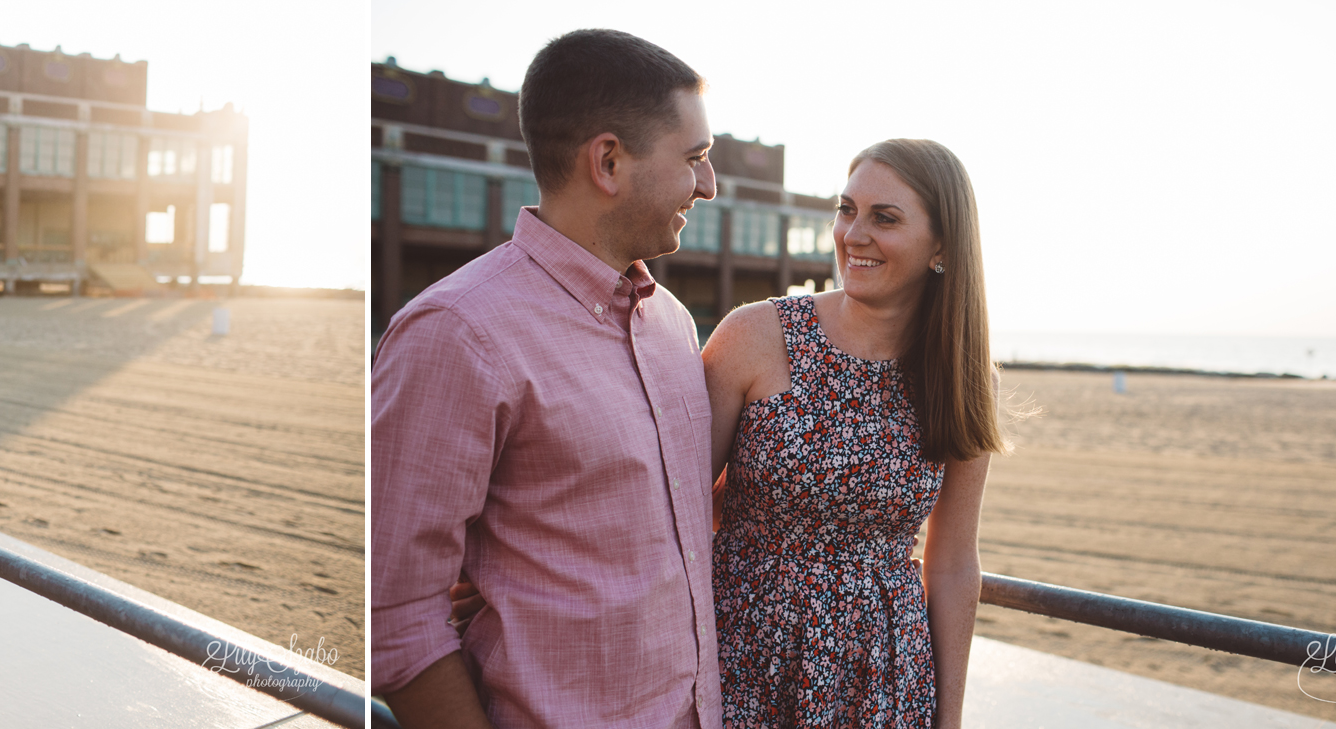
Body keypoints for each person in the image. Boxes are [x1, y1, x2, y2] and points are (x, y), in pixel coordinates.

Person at [371, 29, 723, 728]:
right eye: (696, 159)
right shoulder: (457, 332)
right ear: (609, 160)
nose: (708, 185)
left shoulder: (675, 325)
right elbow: (397, 619)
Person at [701, 138, 999, 727]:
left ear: (942, 245)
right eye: (846, 209)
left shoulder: (962, 375)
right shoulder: (753, 336)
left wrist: (949, 717)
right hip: (740, 653)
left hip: (883, 677)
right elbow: (674, 507)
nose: (852, 234)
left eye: (883, 218)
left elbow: (953, 561)